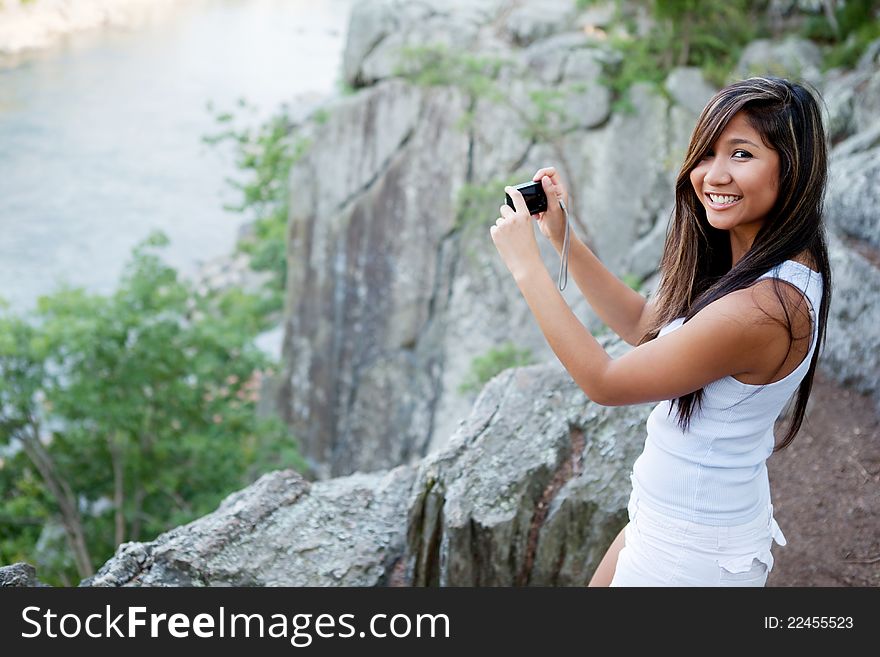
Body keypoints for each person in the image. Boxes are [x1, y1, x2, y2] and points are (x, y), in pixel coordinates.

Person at [489, 76, 831, 587]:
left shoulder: (764, 308)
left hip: (691, 555)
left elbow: (605, 382)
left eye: (741, 155)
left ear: (792, 167)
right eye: (706, 153)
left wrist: (527, 270)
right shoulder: (759, 268)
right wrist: (563, 239)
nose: (713, 175)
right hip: (673, 519)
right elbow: (643, 326)